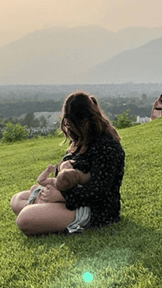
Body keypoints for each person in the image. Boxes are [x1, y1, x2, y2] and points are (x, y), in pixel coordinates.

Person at [10, 90, 125, 236]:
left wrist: (61, 196)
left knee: (24, 220)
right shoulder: (81, 139)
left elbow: (99, 191)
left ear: (84, 122)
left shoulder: (107, 146)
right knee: (17, 199)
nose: (69, 129)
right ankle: (43, 211)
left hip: (94, 208)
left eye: (71, 125)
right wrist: (60, 172)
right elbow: (66, 173)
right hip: (69, 197)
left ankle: (43, 213)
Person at [25, 161, 91, 206]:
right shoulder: (68, 190)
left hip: (40, 200)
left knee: (34, 188)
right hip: (46, 203)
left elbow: (40, 180)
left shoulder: (54, 182)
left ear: (58, 175)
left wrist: (48, 171)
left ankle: (30, 203)